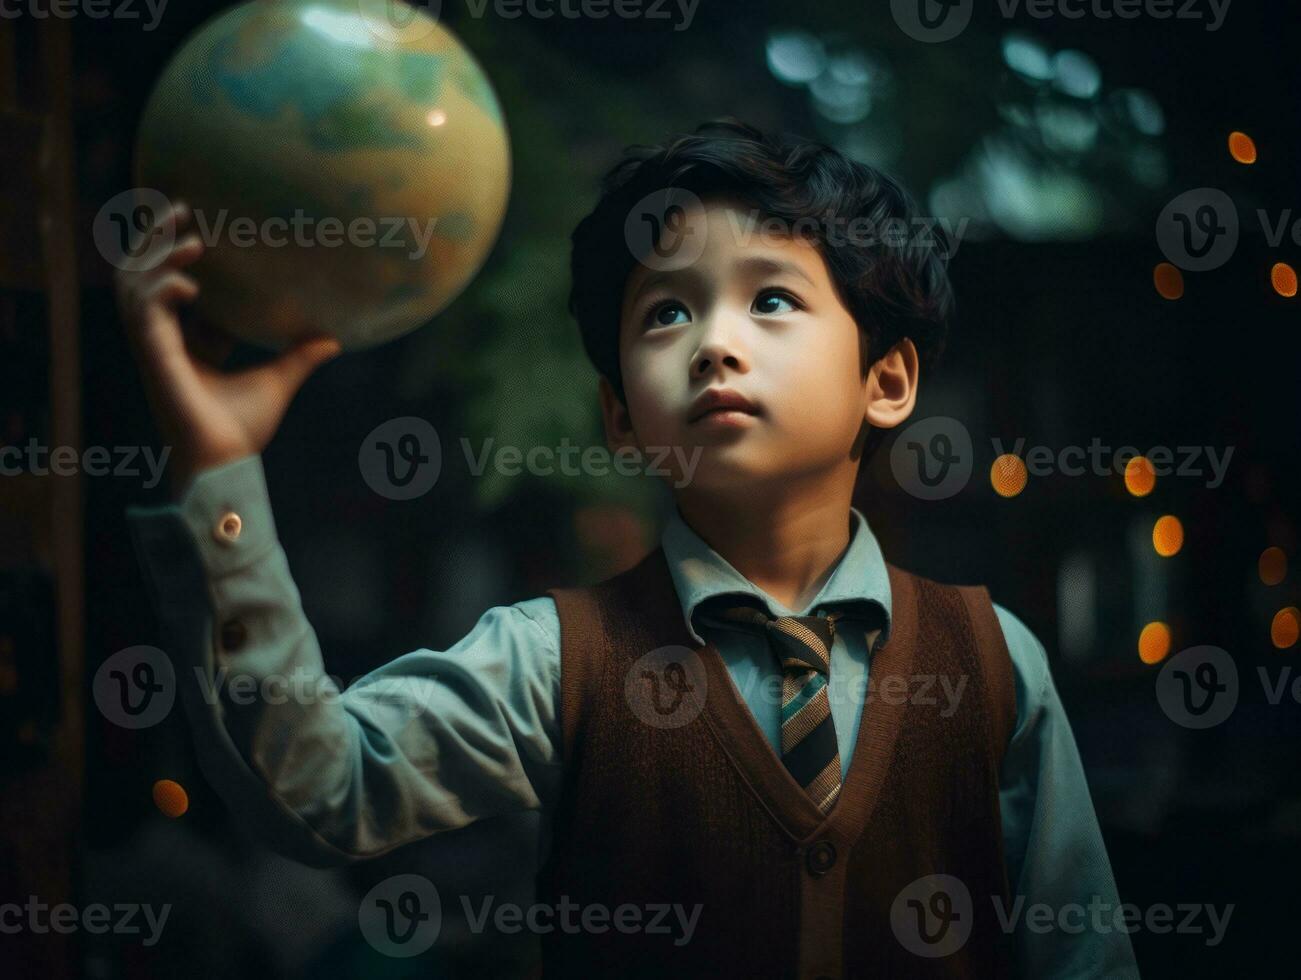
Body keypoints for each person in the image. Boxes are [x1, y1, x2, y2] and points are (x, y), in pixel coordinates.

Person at [118, 119, 1139, 978]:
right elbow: (315, 788)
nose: (713, 341)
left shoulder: (994, 662)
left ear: (887, 380)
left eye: (771, 297)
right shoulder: (551, 659)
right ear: (618, 414)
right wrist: (218, 472)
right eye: (664, 311)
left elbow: (1082, 954)